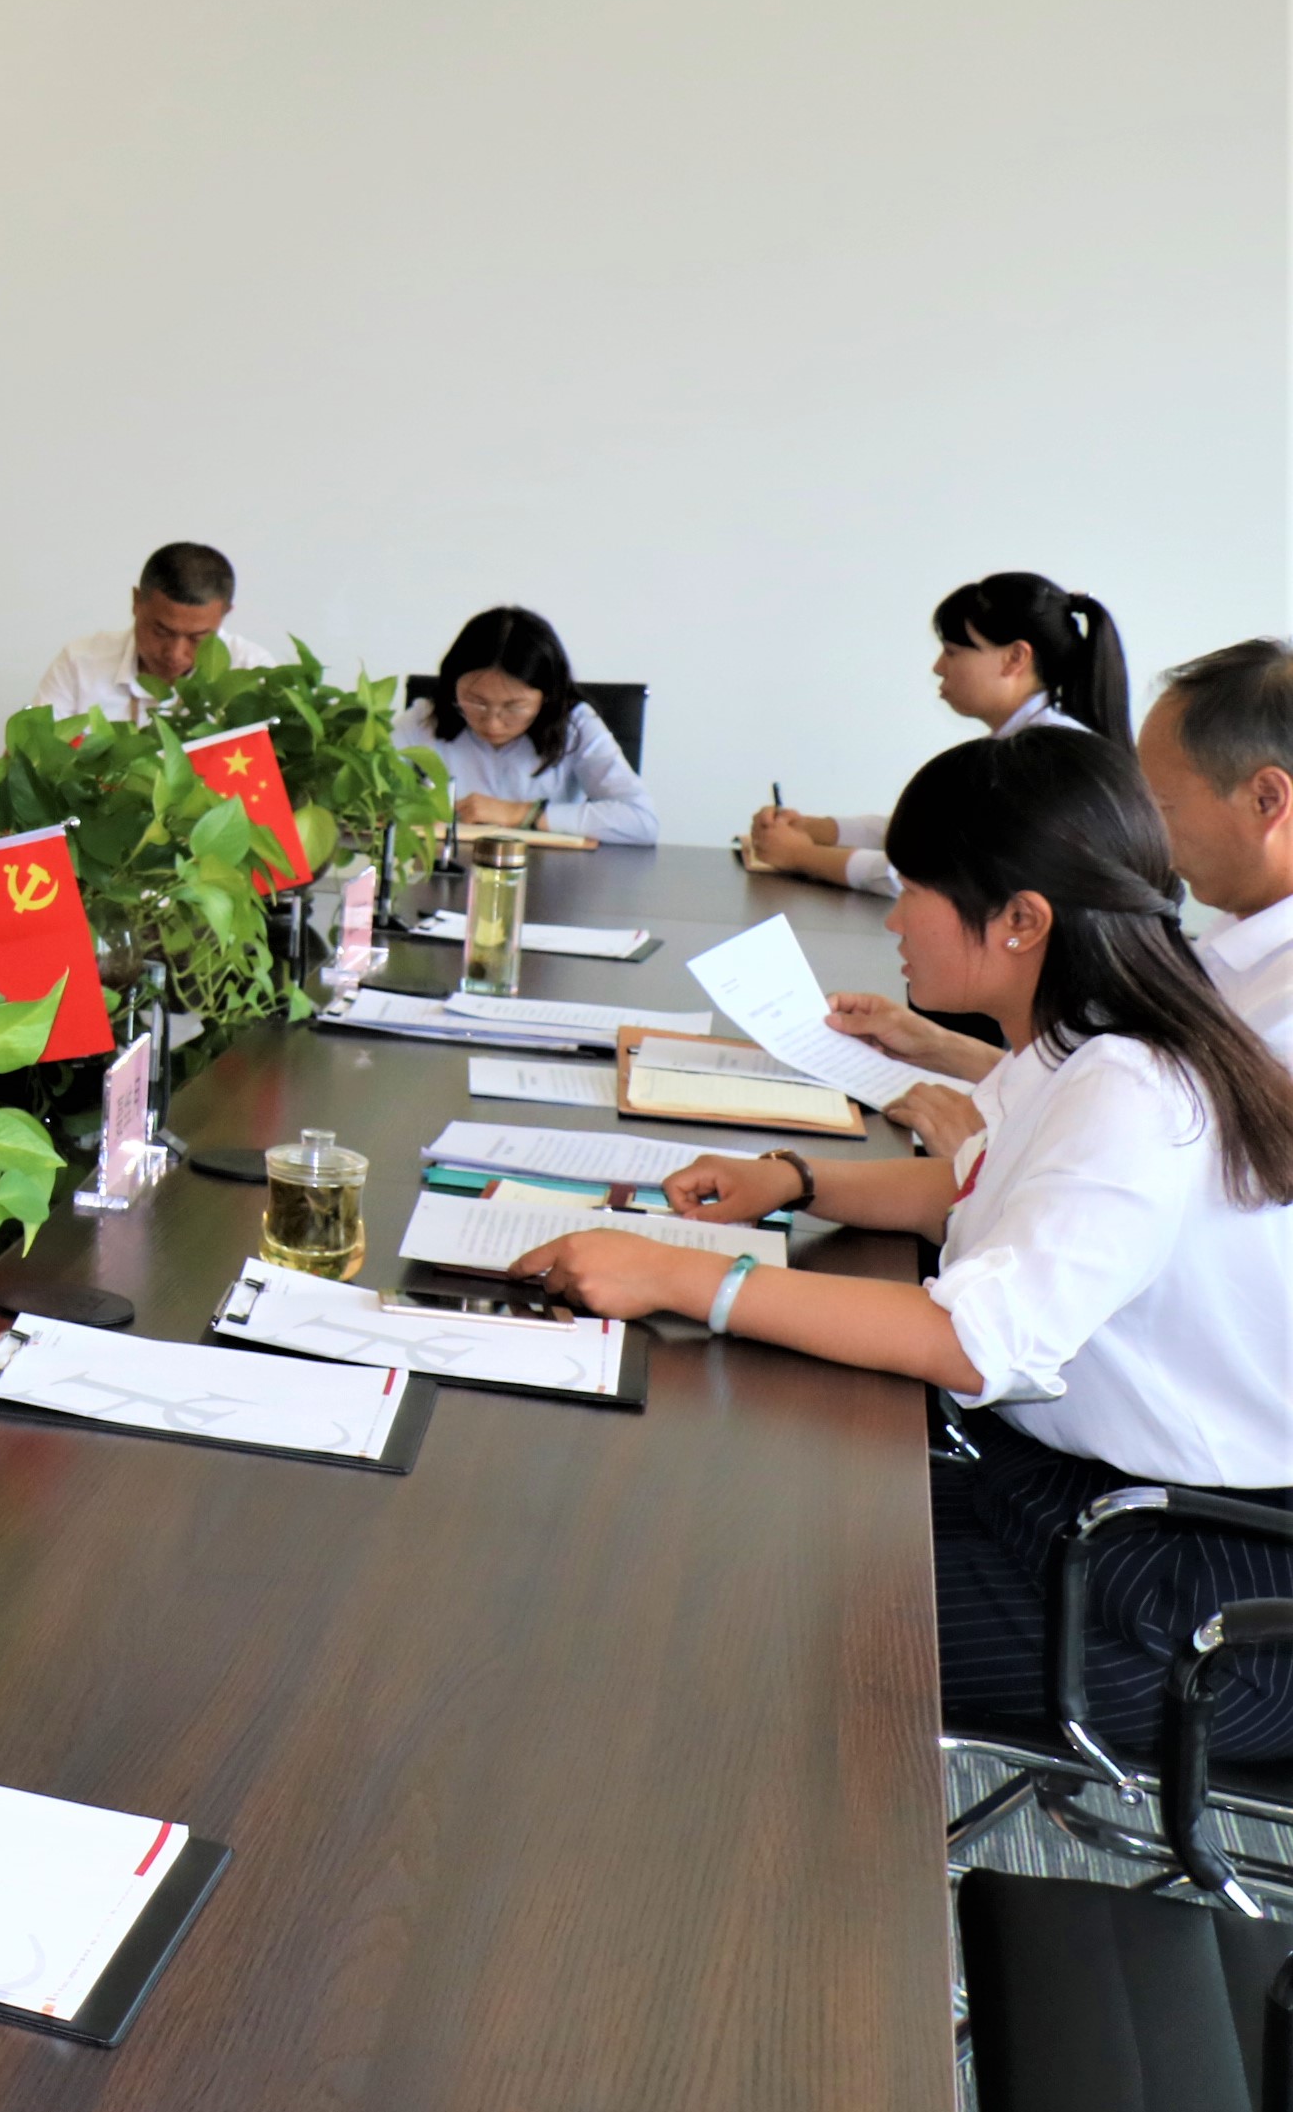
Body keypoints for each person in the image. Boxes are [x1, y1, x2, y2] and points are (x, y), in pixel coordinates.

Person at [518, 730, 1293, 1760]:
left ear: (1022, 921)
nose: (893, 916)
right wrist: (797, 1180)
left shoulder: (1133, 1089)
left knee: (733, 1610)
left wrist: (683, 1275)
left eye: (916, 889)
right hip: (1082, 1500)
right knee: (738, 1518)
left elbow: (973, 1339)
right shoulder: (1083, 1041)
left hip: (1194, 1597)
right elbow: (973, 1186)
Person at [834, 636, 1293, 1123]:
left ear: (1266, 799)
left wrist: (981, 1151)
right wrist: (938, 1046)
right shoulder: (1230, 936)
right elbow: (1095, 1089)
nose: (1150, 833)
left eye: (1162, 806)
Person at [753, 571, 1127, 897]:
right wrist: (816, 830)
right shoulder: (1019, 746)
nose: (938, 667)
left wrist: (801, 855)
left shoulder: (1042, 761)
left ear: (1015, 657)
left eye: (952, 651)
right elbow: (929, 836)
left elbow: (936, 875)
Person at [404, 606, 657, 845]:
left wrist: (522, 813)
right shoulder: (425, 717)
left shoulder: (575, 725)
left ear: (547, 697)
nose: (493, 723)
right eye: (476, 702)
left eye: (514, 707)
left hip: (551, 873)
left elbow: (641, 821)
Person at [30, 541, 281, 728]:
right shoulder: (79, 664)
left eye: (197, 638)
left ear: (225, 614)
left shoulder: (253, 671)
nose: (176, 653)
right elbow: (30, 758)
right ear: (136, 601)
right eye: (162, 631)